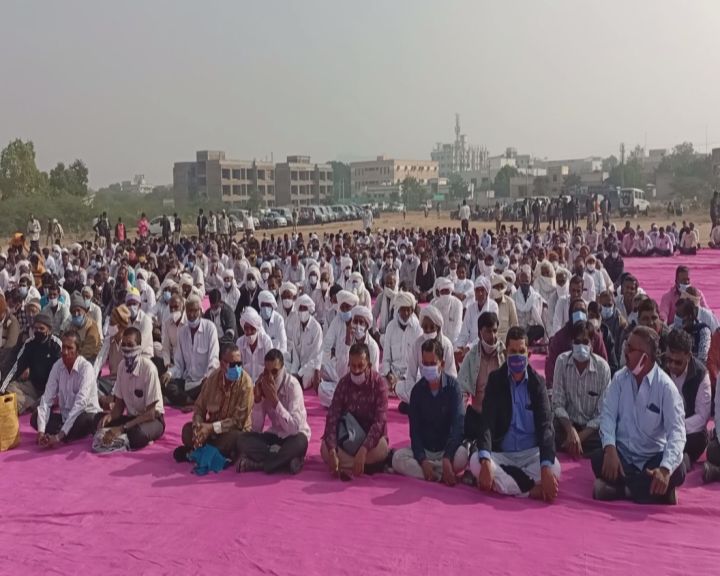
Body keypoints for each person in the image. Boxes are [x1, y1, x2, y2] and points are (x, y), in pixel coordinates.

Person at [592, 326, 686, 504]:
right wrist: (610, 449)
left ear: (646, 357)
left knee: (678, 471)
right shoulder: (619, 379)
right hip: (623, 457)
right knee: (598, 458)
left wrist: (665, 470)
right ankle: (654, 492)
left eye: (631, 349)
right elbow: (608, 416)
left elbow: (677, 433)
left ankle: (622, 491)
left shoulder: (666, 387)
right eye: (626, 346)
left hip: (652, 459)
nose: (625, 351)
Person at [468, 326, 561, 501]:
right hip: (503, 454)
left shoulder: (537, 383)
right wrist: (487, 460)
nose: (517, 356)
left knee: (554, 467)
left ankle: (507, 485)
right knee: (476, 462)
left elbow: (546, 427)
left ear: (529, 354)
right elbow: (486, 423)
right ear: (506, 352)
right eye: (513, 351)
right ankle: (531, 491)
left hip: (531, 454)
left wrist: (546, 467)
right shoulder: (496, 380)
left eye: (521, 351)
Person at [392, 339, 468, 485]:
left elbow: (458, 427)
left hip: (446, 450)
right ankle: (439, 474)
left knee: (463, 456)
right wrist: (422, 459)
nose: (428, 368)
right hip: (425, 450)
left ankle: (435, 471)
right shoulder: (417, 391)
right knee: (397, 459)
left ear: (442, 364)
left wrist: (447, 457)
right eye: (425, 364)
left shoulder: (453, 388)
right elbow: (414, 432)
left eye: (432, 364)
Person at [235, 349, 310, 474]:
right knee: (242, 440)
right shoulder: (263, 384)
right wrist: (258, 402)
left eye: (274, 372)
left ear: (282, 369)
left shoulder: (293, 386)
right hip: (275, 435)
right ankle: (284, 461)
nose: (270, 377)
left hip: (293, 436)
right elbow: (256, 428)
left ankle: (259, 464)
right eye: (267, 372)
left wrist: (275, 402)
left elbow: (294, 428)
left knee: (300, 443)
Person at [321, 343, 389, 480]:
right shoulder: (343, 383)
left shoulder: (379, 384)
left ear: (369, 365)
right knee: (324, 449)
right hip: (347, 438)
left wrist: (363, 450)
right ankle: (361, 465)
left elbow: (379, 422)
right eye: (353, 366)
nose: (356, 370)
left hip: (370, 443)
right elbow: (332, 416)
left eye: (360, 366)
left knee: (383, 448)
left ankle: (346, 465)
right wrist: (333, 451)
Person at [177, 342, 254, 461]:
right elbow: (199, 407)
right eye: (233, 364)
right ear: (222, 363)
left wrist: (210, 428)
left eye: (239, 364)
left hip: (231, 431)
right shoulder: (213, 379)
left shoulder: (246, 384)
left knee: (236, 438)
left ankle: (201, 451)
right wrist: (198, 426)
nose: (237, 368)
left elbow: (238, 422)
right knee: (187, 431)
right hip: (212, 431)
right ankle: (210, 451)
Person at [96, 327, 165, 451]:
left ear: (139, 347)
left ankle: (123, 438)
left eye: (130, 345)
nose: (127, 349)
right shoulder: (122, 367)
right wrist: (110, 417)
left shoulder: (149, 369)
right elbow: (119, 406)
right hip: (132, 419)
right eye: (124, 345)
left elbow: (150, 414)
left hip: (152, 419)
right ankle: (120, 437)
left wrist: (123, 428)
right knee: (98, 420)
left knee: (137, 435)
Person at [31, 331, 103, 446]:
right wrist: (41, 431)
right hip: (66, 418)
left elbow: (80, 404)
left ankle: (62, 435)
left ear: (78, 351)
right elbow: (47, 398)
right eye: (63, 347)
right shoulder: (57, 366)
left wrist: (59, 436)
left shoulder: (86, 368)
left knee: (87, 419)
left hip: (83, 416)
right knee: (36, 418)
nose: (65, 352)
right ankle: (60, 435)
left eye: (70, 348)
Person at [552, 321, 610, 458]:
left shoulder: (603, 368)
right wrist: (570, 431)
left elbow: (602, 413)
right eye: (577, 342)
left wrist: (580, 437)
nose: (581, 346)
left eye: (585, 342)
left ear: (592, 344)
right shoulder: (562, 361)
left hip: (590, 430)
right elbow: (557, 403)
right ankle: (573, 445)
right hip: (566, 425)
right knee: (548, 430)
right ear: (571, 343)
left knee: (609, 437)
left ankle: (572, 445)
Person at [663, 328, 712, 469]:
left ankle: (677, 459)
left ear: (689, 355)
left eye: (678, 362)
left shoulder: (701, 375)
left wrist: (675, 428)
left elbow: (702, 417)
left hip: (687, 431)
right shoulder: (660, 368)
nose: (671, 365)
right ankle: (679, 460)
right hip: (663, 429)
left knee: (700, 440)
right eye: (669, 360)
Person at [458, 312, 506, 440]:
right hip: (477, 416)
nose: (493, 336)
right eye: (488, 331)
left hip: (500, 418)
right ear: (480, 333)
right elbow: (462, 390)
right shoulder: (471, 357)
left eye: (495, 331)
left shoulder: (505, 354)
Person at [398, 305, 457, 408]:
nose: (428, 330)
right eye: (425, 327)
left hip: (442, 390)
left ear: (438, 327)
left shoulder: (446, 345)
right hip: (423, 387)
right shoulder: (417, 344)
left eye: (431, 327)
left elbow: (451, 376)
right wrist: (415, 395)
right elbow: (411, 375)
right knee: (400, 387)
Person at [166, 295, 220, 408]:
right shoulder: (182, 332)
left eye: (194, 311)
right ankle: (192, 401)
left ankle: (187, 400)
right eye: (189, 311)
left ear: (200, 311)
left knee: (211, 386)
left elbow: (214, 360)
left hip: (204, 382)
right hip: (188, 382)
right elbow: (179, 365)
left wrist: (208, 377)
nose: (191, 314)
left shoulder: (210, 328)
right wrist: (169, 373)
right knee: (168, 386)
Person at [4, 311, 62, 414]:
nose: (38, 331)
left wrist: (49, 393)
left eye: (41, 328)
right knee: (10, 388)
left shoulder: (56, 345)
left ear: (49, 330)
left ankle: (35, 405)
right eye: (36, 328)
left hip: (51, 389)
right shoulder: (29, 344)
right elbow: (16, 367)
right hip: (33, 386)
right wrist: (2, 388)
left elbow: (60, 373)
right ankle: (33, 405)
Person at [545, 298, 607, 388]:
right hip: (566, 385)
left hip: (591, 384)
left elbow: (603, 361)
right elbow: (551, 365)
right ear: (570, 314)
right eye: (576, 310)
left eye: (582, 310)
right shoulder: (560, 337)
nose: (580, 313)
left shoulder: (595, 336)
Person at [286, 294, 323, 390]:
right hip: (299, 365)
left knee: (307, 377)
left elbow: (316, 357)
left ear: (309, 310)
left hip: (311, 367)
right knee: (284, 365)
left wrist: (300, 373)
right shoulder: (296, 326)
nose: (302, 311)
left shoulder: (316, 328)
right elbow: (295, 354)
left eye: (304, 308)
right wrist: (294, 372)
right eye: (300, 308)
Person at [236, 307, 273, 383]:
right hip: (245, 386)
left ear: (257, 328)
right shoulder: (240, 342)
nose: (249, 332)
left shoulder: (266, 341)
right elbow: (238, 369)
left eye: (252, 328)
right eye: (246, 328)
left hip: (263, 386)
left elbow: (270, 369)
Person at [673, 298, 711, 363]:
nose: (677, 318)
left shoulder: (703, 330)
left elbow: (703, 357)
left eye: (679, 315)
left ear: (689, 316)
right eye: (676, 314)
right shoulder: (674, 330)